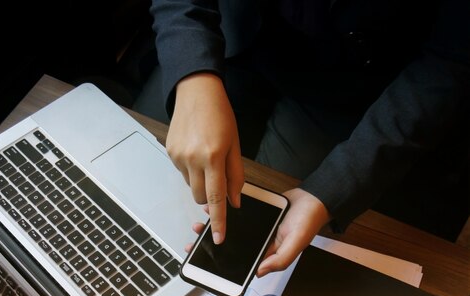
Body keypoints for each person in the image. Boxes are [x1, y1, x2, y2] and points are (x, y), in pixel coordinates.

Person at [147, 0, 469, 277]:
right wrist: (192, 74)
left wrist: (328, 192)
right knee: (153, 186)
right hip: (227, 31)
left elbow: (450, 64)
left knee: (264, 227)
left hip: (358, 82)